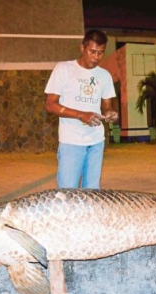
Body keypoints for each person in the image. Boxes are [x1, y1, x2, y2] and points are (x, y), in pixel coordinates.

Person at [45, 29, 118, 189]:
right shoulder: (64, 69)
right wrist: (80, 115)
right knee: (67, 192)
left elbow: (106, 106)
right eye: (92, 52)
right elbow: (50, 104)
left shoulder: (104, 75)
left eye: (100, 53)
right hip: (71, 140)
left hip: (96, 141)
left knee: (92, 191)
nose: (96, 57)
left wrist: (110, 113)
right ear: (82, 48)